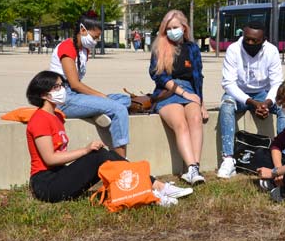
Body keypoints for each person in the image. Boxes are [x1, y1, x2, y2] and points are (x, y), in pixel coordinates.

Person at [25, 70, 192, 205]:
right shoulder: (40, 119)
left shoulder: (57, 116)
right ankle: (156, 189)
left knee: (108, 156)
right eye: (56, 87)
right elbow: (50, 159)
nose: (62, 90)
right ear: (43, 95)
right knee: (98, 155)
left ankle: (153, 190)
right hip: (46, 184)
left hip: (60, 175)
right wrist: (85, 150)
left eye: (62, 86)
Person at [49, 14, 130, 157]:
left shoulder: (84, 50)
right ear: (83, 30)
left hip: (75, 95)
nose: (96, 41)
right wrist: (103, 97)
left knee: (125, 99)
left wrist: (103, 99)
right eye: (94, 37)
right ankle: (121, 159)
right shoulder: (67, 47)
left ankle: (95, 111)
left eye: (98, 38)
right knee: (119, 109)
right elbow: (75, 84)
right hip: (63, 98)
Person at [217, 21, 285, 179]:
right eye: (247, 39)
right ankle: (228, 159)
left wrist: (267, 103)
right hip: (238, 94)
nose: (250, 43)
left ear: (264, 39)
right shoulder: (233, 49)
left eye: (255, 41)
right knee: (226, 106)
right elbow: (228, 84)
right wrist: (252, 103)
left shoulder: (271, 51)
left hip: (263, 94)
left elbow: (277, 83)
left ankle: (282, 157)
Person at [149, 10, 208, 185]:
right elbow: (157, 75)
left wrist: (201, 103)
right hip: (168, 91)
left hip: (190, 89)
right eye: (168, 28)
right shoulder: (160, 46)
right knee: (180, 124)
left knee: (196, 119)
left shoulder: (193, 48)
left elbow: (198, 77)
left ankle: (194, 168)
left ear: (184, 27)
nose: (172, 31)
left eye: (175, 27)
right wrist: (183, 93)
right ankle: (191, 168)